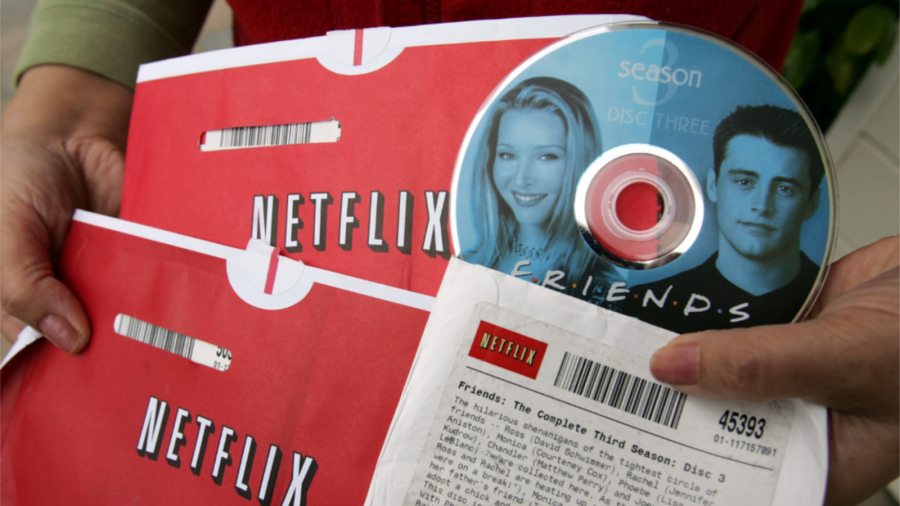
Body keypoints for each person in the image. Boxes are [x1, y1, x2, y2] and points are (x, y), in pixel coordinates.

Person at [0, 1, 895, 504]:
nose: (529, 177)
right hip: (274, 260)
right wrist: (63, 114)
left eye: (550, 157)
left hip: (637, 370)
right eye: (515, 158)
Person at [623, 105, 827, 334]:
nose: (762, 206)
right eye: (744, 182)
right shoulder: (640, 308)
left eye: (784, 189)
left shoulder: (834, 306)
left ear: (812, 203)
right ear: (714, 185)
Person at [465, 77, 613, 292]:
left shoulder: (605, 290)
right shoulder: (467, 263)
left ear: (580, 163)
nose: (521, 179)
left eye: (547, 157)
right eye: (508, 155)